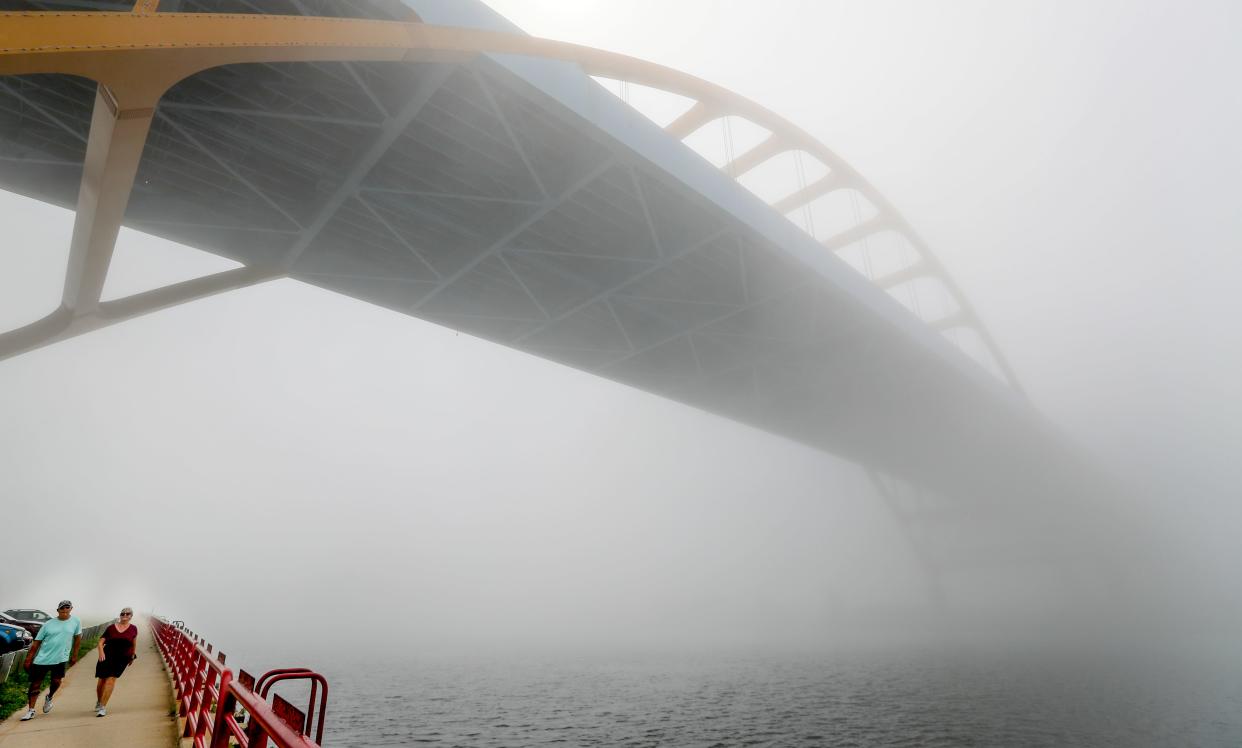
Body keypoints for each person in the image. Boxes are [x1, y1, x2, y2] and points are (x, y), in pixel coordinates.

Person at [20, 600, 81, 721]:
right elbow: (36, 643)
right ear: (58, 610)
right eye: (62, 608)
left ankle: (49, 697)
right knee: (35, 684)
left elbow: (78, 638)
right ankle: (31, 710)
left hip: (60, 659)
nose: (64, 610)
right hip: (42, 659)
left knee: (56, 682)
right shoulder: (48, 624)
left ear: (71, 609)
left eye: (67, 608)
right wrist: (28, 659)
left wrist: (74, 655)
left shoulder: (76, 621)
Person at [93, 607, 138, 717]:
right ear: (120, 615)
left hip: (122, 658)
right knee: (101, 681)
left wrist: (132, 655)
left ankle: (103, 707)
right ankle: (99, 701)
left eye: (128, 614)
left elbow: (133, 643)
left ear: (131, 616)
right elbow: (100, 642)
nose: (125, 615)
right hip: (107, 656)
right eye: (123, 613)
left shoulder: (133, 628)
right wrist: (101, 652)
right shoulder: (111, 628)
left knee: (111, 679)